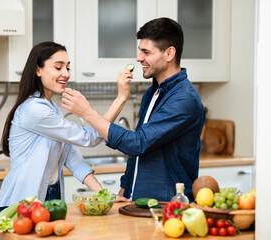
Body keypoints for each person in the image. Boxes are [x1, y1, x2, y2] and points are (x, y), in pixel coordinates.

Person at [61, 17, 205, 202]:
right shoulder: (152, 93)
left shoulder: (184, 99)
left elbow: (138, 143)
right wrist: (124, 188)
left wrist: (87, 112)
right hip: (139, 203)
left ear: (169, 53)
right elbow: (138, 152)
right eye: (139, 51)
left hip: (167, 205)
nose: (139, 58)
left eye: (146, 52)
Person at [0, 41, 131, 215]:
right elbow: (90, 138)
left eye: (67, 68)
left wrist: (105, 195)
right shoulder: (34, 110)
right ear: (38, 70)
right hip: (22, 203)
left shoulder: (51, 109)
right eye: (58, 67)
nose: (66, 74)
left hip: (51, 198)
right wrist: (119, 99)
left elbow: (72, 158)